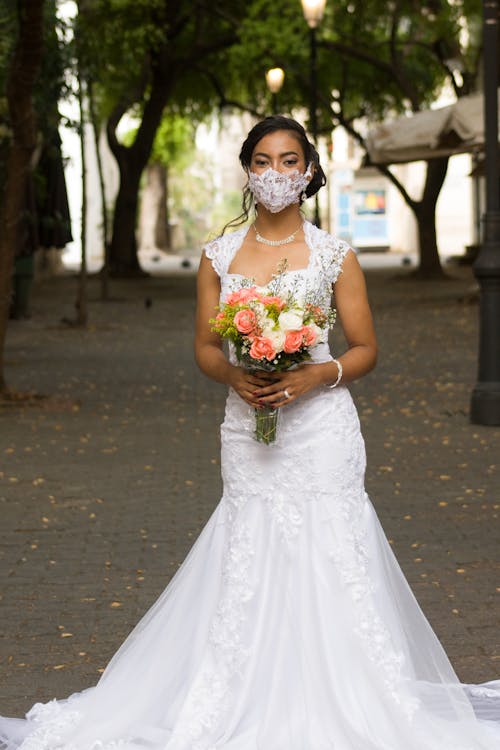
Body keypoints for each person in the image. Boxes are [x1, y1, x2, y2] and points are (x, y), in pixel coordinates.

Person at [0, 115, 499, 750]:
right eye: (262, 161)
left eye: (289, 161)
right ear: (247, 172)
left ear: (310, 171)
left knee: (330, 549)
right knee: (251, 546)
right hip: (248, 426)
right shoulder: (219, 256)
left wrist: (320, 373)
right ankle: (241, 690)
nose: (275, 174)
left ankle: (344, 692)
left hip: (322, 431)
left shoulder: (335, 258)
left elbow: (367, 347)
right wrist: (237, 378)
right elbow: (207, 350)